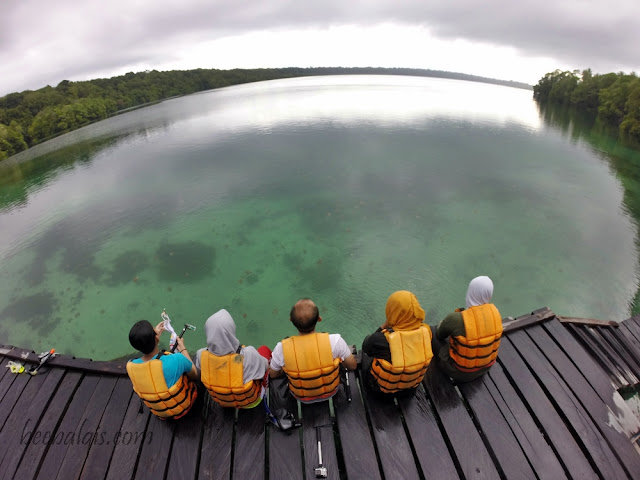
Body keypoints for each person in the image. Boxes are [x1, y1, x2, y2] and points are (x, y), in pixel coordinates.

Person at [269, 298, 357, 403]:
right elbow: (352, 366)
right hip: (331, 391)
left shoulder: (281, 349)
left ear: (291, 320)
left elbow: (273, 374)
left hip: (300, 397)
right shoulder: (335, 341)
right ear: (319, 319)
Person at [361, 291, 433, 397]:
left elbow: (366, 346)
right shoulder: (427, 332)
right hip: (409, 389)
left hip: (381, 392)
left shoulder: (381, 340)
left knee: (365, 357)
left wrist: (384, 325)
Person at [196, 309, 271, 409]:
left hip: (224, 402)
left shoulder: (201, 355)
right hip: (252, 402)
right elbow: (266, 366)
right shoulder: (248, 355)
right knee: (264, 349)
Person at [434, 276, 503, 383]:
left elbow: (439, 334)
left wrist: (443, 323)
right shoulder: (496, 314)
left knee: (433, 335)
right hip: (485, 368)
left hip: (459, 372)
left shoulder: (456, 318)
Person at [126, 319, 198, 419]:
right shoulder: (176, 359)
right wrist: (182, 349)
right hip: (185, 406)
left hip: (161, 413)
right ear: (156, 339)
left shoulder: (130, 366)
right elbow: (194, 374)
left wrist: (154, 337)